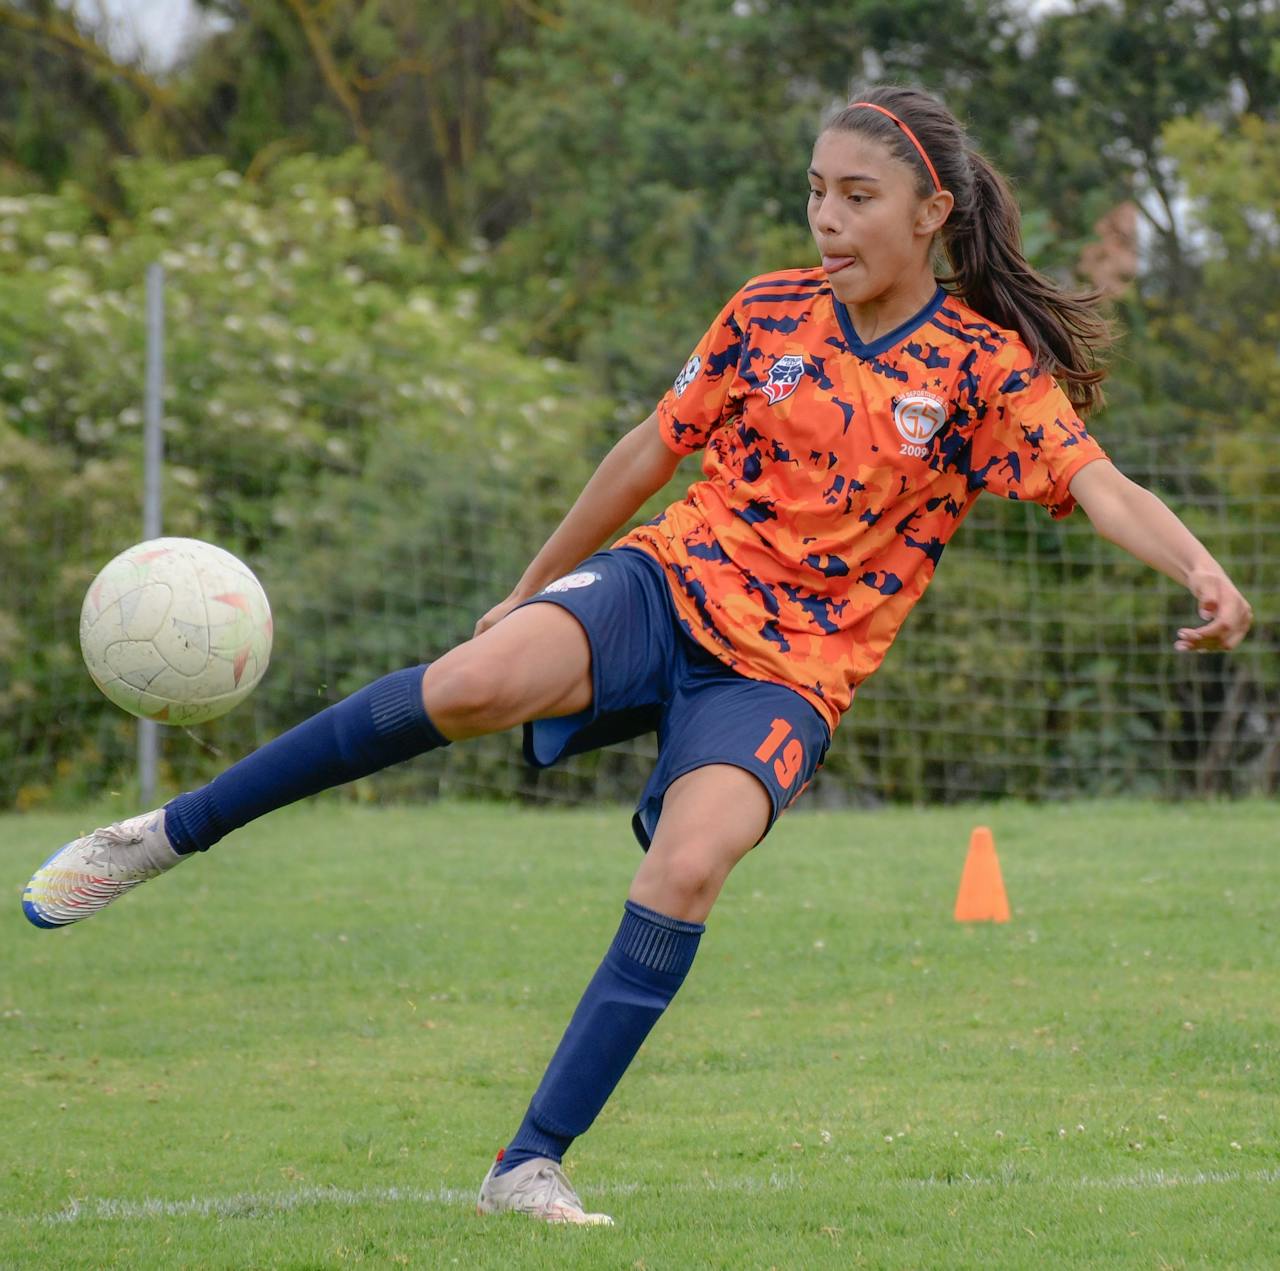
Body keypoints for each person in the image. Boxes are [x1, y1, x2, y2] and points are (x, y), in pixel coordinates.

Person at [22, 86, 1253, 1225]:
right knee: (467, 684)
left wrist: (1197, 566)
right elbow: (647, 449)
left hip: (789, 672)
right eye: (815, 190)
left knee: (691, 863)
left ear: (932, 211)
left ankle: (526, 1162)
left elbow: (1098, 483)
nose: (826, 217)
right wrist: (520, 590)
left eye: (857, 196)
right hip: (669, 582)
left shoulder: (981, 368)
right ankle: (166, 833)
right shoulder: (764, 311)